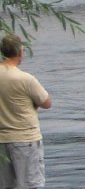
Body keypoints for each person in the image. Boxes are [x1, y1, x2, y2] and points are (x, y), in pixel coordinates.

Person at [0, 34, 52, 189]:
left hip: (1, 141)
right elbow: (47, 103)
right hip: (25, 140)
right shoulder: (25, 79)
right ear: (20, 52)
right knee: (30, 185)